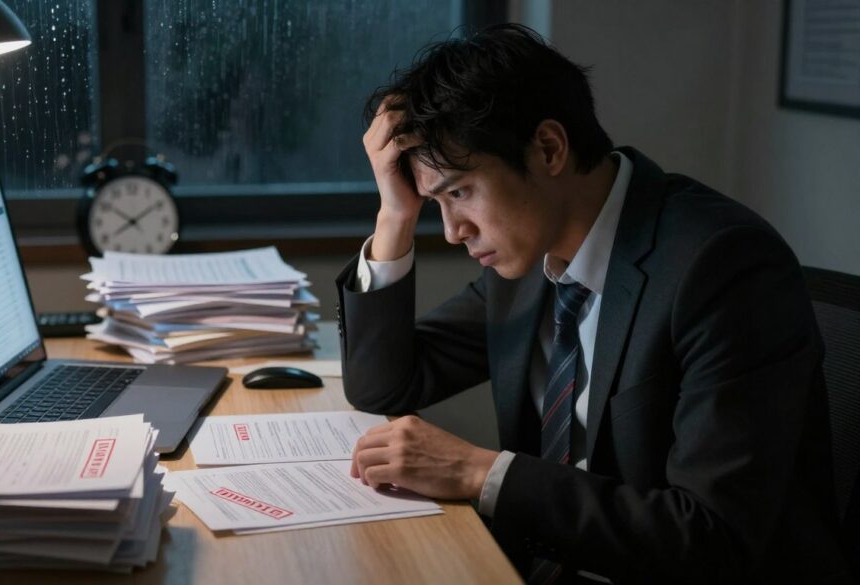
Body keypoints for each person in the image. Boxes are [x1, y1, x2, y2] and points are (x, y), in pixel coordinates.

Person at [335, 23, 851, 584]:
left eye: (458, 192)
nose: (455, 231)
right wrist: (395, 216)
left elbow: (710, 539)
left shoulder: (723, 265)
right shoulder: (525, 255)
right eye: (435, 202)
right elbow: (384, 385)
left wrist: (478, 471)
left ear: (549, 149)